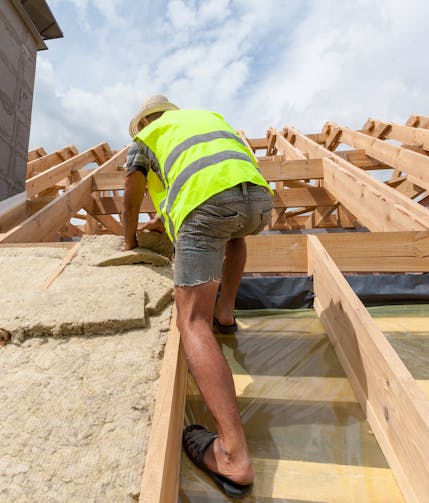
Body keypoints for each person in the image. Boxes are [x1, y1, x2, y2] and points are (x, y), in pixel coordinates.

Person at [122, 95, 273, 499]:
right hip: (257, 202)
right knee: (234, 230)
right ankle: (227, 312)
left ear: (144, 122)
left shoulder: (147, 137)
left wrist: (128, 242)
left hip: (208, 206)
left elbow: (131, 196)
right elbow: (212, 184)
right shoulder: (206, 120)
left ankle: (232, 455)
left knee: (191, 322)